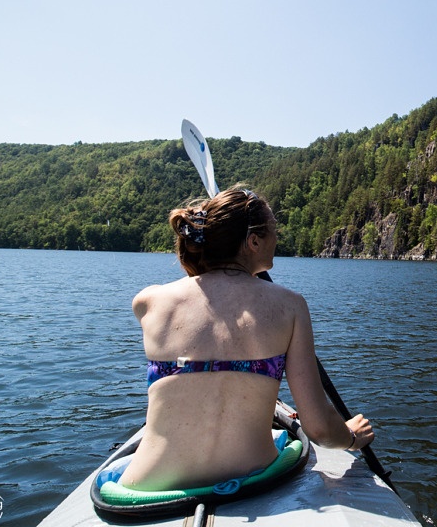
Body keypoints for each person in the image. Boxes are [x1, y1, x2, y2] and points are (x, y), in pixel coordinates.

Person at [120, 185, 373, 491]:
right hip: (251, 480)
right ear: (253, 241)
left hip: (147, 485)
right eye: (273, 231)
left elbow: (203, 305)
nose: (277, 239)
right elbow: (319, 429)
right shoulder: (290, 306)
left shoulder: (148, 302)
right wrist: (350, 437)